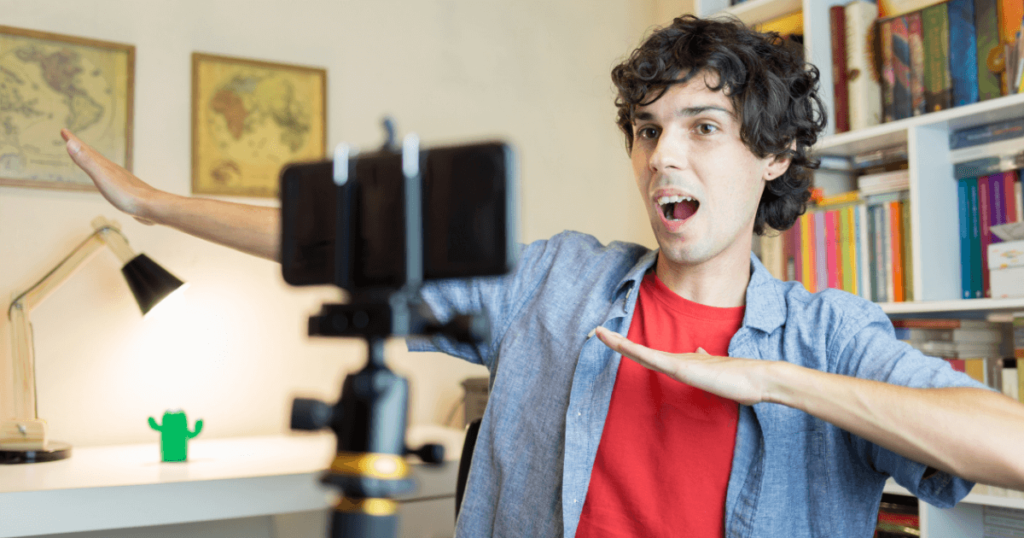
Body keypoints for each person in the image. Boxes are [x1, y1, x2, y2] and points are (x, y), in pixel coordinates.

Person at [62, 14, 1024, 538]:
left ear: (773, 156)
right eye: (648, 132)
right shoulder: (558, 283)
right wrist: (151, 205)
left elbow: (1010, 446)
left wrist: (771, 381)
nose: (662, 159)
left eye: (703, 128)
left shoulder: (829, 339)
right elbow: (350, 240)